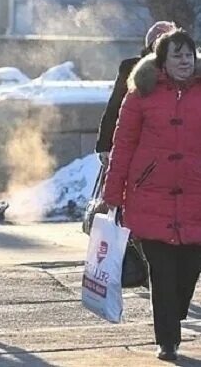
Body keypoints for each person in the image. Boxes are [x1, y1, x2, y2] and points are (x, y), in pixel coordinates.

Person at [102, 29, 201, 361]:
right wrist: (113, 193)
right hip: (150, 196)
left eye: (189, 54)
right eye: (177, 55)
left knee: (190, 269)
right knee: (162, 272)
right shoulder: (140, 94)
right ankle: (167, 340)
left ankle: (175, 313)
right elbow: (123, 145)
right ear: (163, 61)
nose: (185, 61)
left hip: (195, 196)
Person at [96, 21, 176, 167]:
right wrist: (105, 145)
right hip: (139, 143)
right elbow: (115, 108)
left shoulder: (184, 71)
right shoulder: (132, 70)